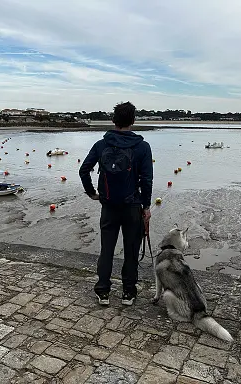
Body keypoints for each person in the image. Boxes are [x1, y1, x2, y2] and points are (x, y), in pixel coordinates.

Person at [79, 102, 153, 306]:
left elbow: (84, 170)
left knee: (107, 250)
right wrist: (146, 207)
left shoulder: (101, 144)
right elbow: (147, 180)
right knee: (131, 251)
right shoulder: (142, 147)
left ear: (113, 120)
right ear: (133, 121)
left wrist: (92, 193)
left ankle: (103, 291)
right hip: (132, 207)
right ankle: (128, 292)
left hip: (108, 206)